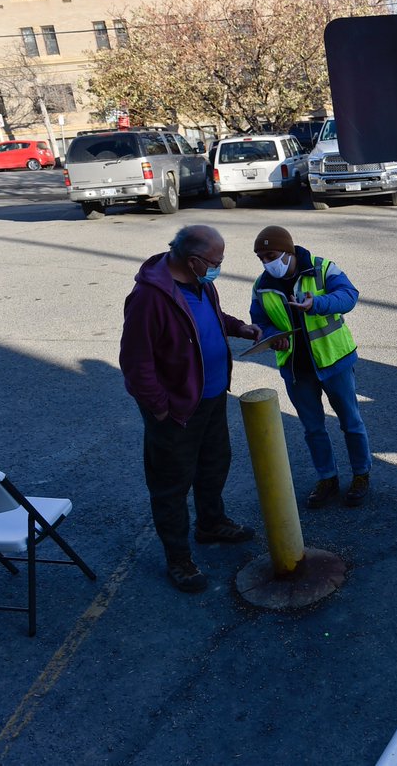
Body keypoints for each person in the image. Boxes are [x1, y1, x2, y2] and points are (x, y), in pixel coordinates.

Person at [120, 225, 260, 593]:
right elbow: (136, 364)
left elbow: (209, 318)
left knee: (215, 464)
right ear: (194, 260)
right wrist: (161, 409)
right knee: (171, 486)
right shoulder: (150, 298)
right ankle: (178, 559)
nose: (219, 267)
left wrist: (239, 328)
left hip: (212, 400)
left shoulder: (202, 283)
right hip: (177, 412)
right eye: (216, 262)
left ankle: (211, 523)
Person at [248, 226, 372, 509]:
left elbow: (349, 296)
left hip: (334, 360)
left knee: (350, 422)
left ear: (288, 251)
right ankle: (327, 478)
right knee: (313, 428)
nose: (267, 262)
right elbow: (258, 319)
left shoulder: (322, 268)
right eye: (261, 258)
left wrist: (317, 303)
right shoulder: (262, 285)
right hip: (295, 368)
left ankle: (361, 474)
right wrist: (269, 336)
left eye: (271, 255)